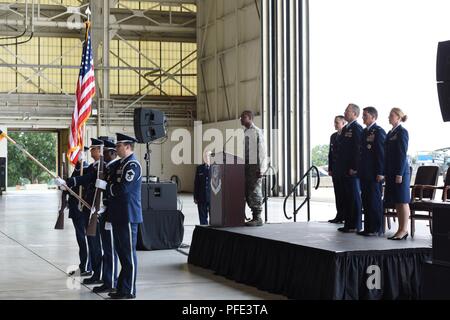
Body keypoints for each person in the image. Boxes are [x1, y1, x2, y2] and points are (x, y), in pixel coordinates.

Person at [96, 133, 142, 299]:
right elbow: (116, 186)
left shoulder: (133, 165)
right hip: (118, 214)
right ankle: (122, 287)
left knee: (129, 254)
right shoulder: (122, 164)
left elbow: (122, 189)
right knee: (122, 253)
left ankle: (129, 290)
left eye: (119, 146)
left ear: (128, 146)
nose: (116, 149)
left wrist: (107, 187)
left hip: (128, 215)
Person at [66, 138, 104, 285]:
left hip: (85, 208)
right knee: (83, 240)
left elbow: (84, 180)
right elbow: (75, 181)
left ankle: (88, 268)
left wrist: (72, 182)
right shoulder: (81, 168)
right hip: (78, 208)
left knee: (88, 240)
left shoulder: (91, 167)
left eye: (93, 148)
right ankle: (85, 266)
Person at [92, 137, 119, 293]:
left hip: (111, 214)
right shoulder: (107, 167)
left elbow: (118, 192)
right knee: (106, 249)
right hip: (103, 212)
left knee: (110, 250)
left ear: (112, 153)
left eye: (104, 152)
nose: (101, 154)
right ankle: (107, 279)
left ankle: (112, 282)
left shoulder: (114, 167)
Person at [357, 107, 386, 236]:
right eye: (363, 115)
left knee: (374, 200)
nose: (363, 117)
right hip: (364, 172)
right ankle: (368, 227)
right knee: (366, 200)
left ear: (373, 117)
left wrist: (380, 172)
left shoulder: (378, 132)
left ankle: (375, 228)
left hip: (374, 173)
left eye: (365, 115)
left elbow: (381, 154)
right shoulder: (364, 132)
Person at [384, 108, 410, 240]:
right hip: (391, 171)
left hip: (400, 171)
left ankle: (404, 229)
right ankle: (400, 229)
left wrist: (399, 173)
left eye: (391, 115)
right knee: (397, 202)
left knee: (402, 200)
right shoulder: (390, 133)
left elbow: (402, 154)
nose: (389, 117)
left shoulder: (402, 132)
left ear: (398, 118)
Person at [336, 103, 363, 233]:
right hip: (343, 169)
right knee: (346, 197)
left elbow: (358, 150)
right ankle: (348, 223)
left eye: (347, 111)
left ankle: (355, 224)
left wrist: (355, 167)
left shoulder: (357, 128)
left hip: (351, 170)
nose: (345, 112)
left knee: (353, 197)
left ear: (354, 114)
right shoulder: (346, 128)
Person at [65, 155, 91, 277]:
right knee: (80, 239)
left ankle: (86, 267)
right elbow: (70, 186)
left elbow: (80, 185)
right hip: (75, 208)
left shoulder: (84, 168)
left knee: (83, 238)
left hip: (81, 208)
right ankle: (84, 265)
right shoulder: (77, 169)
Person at [240, 110, 267, 227]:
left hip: (255, 166)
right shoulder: (246, 132)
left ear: (250, 118)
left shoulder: (256, 132)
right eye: (241, 117)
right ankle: (253, 216)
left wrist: (261, 168)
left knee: (254, 190)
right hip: (247, 166)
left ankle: (258, 217)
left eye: (244, 117)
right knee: (248, 191)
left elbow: (262, 151)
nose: (241, 119)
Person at [328, 115, 346, 224]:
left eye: (337, 122)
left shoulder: (347, 135)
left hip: (343, 169)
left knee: (345, 194)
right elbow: (331, 153)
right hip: (335, 169)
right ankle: (339, 215)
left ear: (343, 123)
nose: (335, 124)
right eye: (334, 122)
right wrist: (330, 168)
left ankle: (345, 215)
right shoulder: (333, 136)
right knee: (338, 194)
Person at [194, 151, 211, 225]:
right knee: (202, 219)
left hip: (213, 199)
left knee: (214, 219)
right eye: (205, 156)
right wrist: (195, 197)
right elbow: (196, 183)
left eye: (208, 156)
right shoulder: (199, 168)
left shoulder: (216, 167)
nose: (206, 158)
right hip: (201, 197)